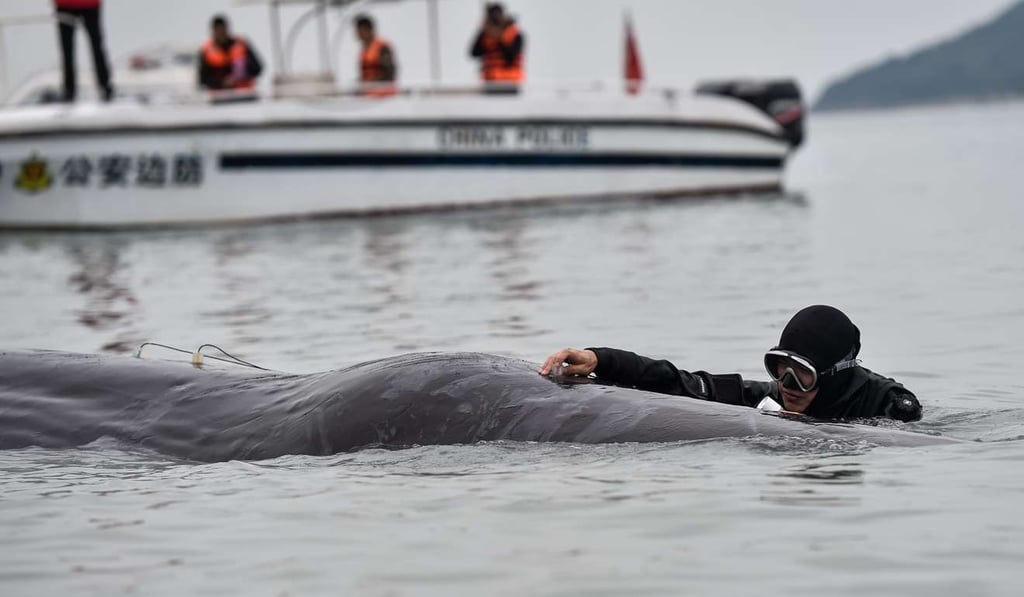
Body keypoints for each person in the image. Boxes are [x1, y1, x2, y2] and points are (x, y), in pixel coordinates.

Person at [538, 305, 923, 422]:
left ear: (834, 375)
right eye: (779, 367)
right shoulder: (772, 399)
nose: (787, 384)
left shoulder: (890, 407)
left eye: (802, 374)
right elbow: (682, 383)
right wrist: (601, 359)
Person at [54, 0, 114, 102]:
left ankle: (104, 86)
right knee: (68, 49)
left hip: (87, 4)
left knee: (95, 46)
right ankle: (70, 89)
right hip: (68, 4)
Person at [469, 2, 524, 93]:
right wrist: (485, 31)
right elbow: (473, 53)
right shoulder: (485, 34)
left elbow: (511, 56)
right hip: (490, 83)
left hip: (510, 83)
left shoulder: (515, 34)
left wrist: (499, 37)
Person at [198, 15, 262, 92]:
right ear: (213, 31)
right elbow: (203, 79)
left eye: (222, 29)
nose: (221, 33)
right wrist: (221, 82)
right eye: (218, 30)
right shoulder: (206, 51)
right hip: (219, 97)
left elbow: (257, 68)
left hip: (244, 94)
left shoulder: (241, 44)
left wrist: (238, 77)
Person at [354, 15, 397, 97]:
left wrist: (371, 84)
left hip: (384, 97)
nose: (357, 34)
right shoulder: (364, 49)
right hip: (369, 96)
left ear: (367, 29)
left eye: (359, 31)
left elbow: (389, 73)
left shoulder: (382, 47)